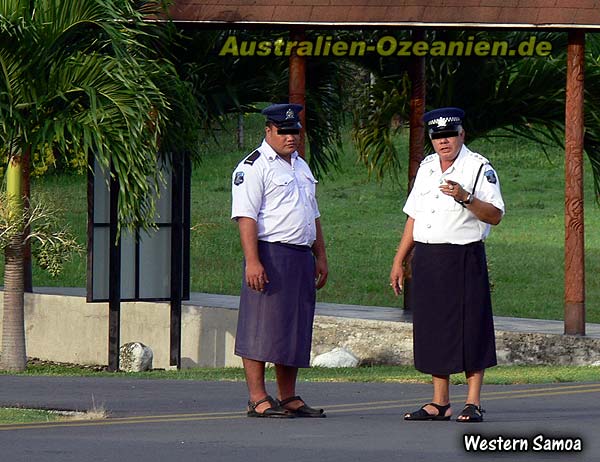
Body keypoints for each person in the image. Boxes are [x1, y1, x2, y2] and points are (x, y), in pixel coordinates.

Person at [389, 107, 505, 423]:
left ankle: (473, 402)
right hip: (428, 257)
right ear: (432, 139)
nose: (444, 142)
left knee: (472, 327)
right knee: (432, 328)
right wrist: (400, 259)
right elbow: (414, 215)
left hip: (464, 256)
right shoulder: (427, 167)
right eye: (438, 136)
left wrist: (465, 198)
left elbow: (495, 214)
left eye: (449, 135)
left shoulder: (478, 167)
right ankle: (439, 402)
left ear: (461, 135)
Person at [231, 103, 328, 418]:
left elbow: (312, 214)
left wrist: (321, 255)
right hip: (270, 253)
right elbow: (246, 217)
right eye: (284, 131)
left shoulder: (300, 166)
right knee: (259, 327)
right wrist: (252, 261)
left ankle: (288, 397)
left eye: (295, 131)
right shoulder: (253, 167)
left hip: (300, 254)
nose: (291, 137)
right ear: (268, 131)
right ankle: (258, 398)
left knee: (294, 327)